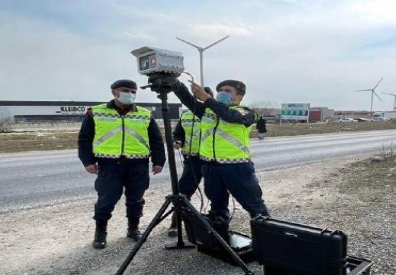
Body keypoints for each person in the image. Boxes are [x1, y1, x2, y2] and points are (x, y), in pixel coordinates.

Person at [78, 79, 166, 249]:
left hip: (138, 164)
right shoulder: (95, 112)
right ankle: (100, 232)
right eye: (126, 90)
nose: (130, 94)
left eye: (134, 92)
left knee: (136, 199)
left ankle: (133, 229)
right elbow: (84, 139)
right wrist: (87, 161)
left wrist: (158, 161)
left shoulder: (145, 114)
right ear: (114, 92)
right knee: (107, 199)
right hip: (109, 164)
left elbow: (156, 140)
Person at [170, 78, 270, 223]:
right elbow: (187, 99)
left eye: (227, 91)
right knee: (217, 207)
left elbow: (229, 116)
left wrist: (207, 98)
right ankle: (219, 240)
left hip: (237, 168)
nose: (222, 93)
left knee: (255, 207)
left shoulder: (246, 112)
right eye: (220, 91)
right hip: (210, 167)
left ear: (240, 97)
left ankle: (268, 241)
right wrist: (175, 82)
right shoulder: (206, 111)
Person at [166, 87, 214, 236]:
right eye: (196, 96)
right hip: (192, 159)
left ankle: (216, 221)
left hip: (212, 160)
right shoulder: (186, 115)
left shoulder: (217, 114)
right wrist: (178, 140)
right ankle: (176, 222)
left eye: (202, 96)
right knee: (183, 192)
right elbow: (178, 133)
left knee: (215, 191)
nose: (198, 99)